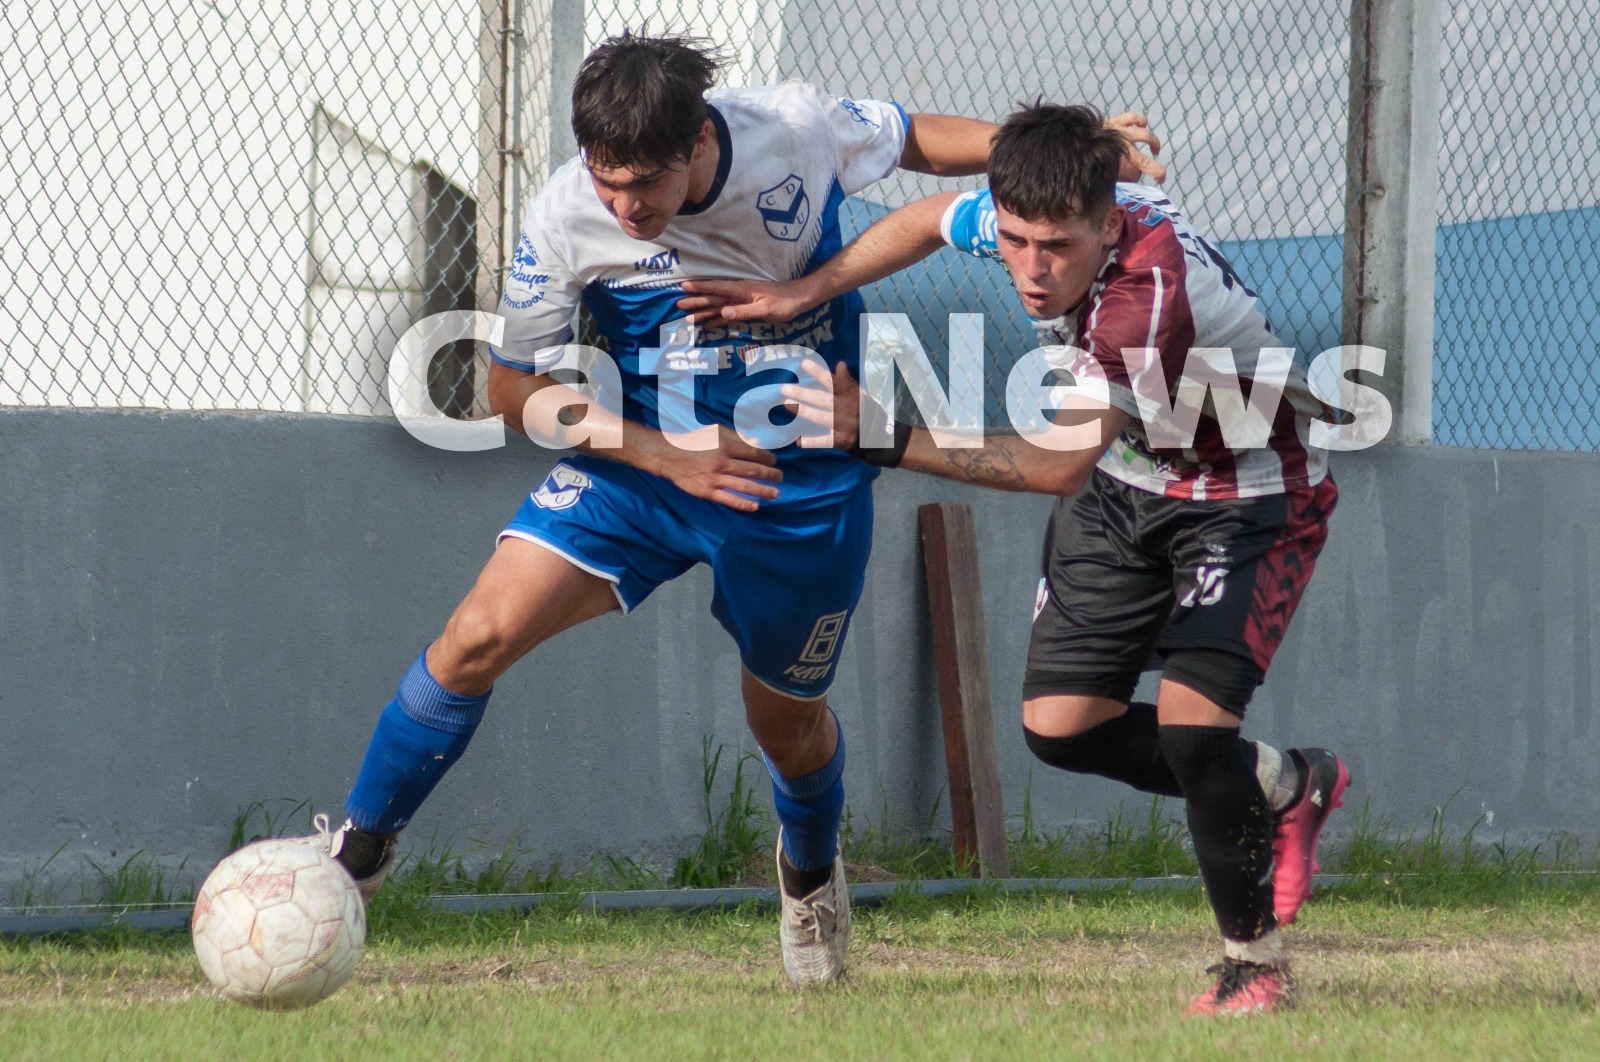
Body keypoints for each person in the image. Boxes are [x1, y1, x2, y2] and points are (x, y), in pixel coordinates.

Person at [299, 32, 1158, 985]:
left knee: (785, 727)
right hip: (645, 471)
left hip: (801, 490)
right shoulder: (566, 212)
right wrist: (662, 452)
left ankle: (809, 873)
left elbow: (914, 139)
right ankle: (357, 860)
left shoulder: (789, 127)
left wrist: (1064, 160)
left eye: (647, 186)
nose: (624, 206)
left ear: (700, 144)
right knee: (473, 636)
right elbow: (508, 384)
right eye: (606, 178)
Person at [677, 102, 1350, 1012]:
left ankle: (1253, 966)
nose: (1032, 270)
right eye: (1016, 240)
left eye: (1058, 248)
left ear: (1108, 226)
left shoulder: (1141, 300)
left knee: (1196, 732)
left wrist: (882, 436)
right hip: (1127, 482)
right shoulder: (1037, 221)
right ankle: (1283, 783)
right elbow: (921, 218)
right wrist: (807, 294)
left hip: (1242, 495)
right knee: (1061, 729)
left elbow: (1053, 464)